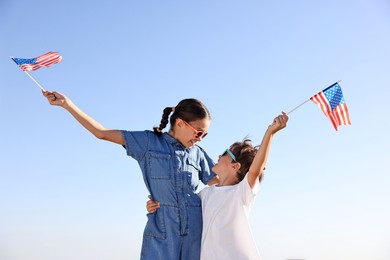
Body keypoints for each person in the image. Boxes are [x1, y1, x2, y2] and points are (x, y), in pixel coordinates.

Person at [42, 90, 219, 260]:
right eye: (198, 132)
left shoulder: (199, 154)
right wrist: (67, 104)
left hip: (195, 233)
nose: (200, 138)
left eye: (205, 134)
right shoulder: (148, 142)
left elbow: (222, 185)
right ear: (180, 123)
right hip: (163, 233)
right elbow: (101, 133)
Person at [147, 112, 288, 260]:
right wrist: (157, 203)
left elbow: (254, 171)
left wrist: (270, 133)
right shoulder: (205, 194)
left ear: (236, 166)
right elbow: (181, 206)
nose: (219, 156)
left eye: (225, 153)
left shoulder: (240, 193)